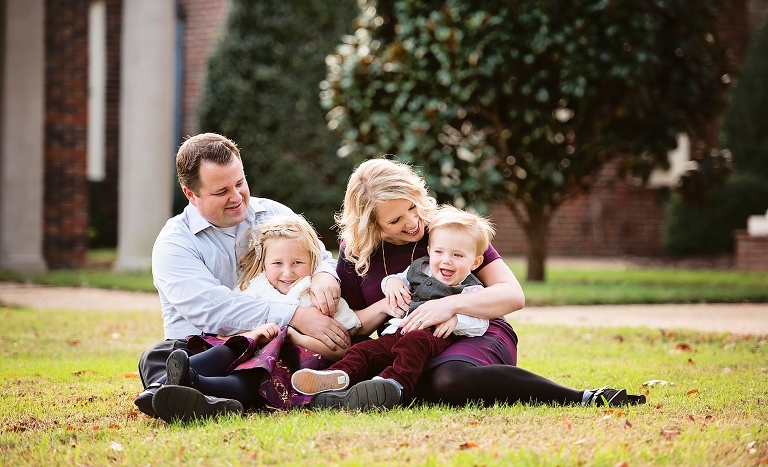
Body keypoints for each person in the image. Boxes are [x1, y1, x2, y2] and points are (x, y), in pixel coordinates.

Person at [308, 158, 646, 410]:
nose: (413, 222)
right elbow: (353, 327)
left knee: (450, 381)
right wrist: (384, 304)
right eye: (396, 220)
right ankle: (344, 393)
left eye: (413, 207)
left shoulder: (447, 229)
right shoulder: (359, 254)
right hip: (408, 342)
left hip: (475, 330)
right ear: (372, 225)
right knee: (406, 380)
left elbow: (512, 295)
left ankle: (583, 398)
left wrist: (450, 305)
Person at [133, 132, 350, 419]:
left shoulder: (273, 214)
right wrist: (294, 314)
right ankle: (187, 389)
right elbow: (214, 310)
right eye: (221, 192)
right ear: (191, 194)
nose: (236, 197)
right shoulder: (175, 243)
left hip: (278, 343)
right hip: (204, 344)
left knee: (292, 359)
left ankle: (186, 393)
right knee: (157, 357)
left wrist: (324, 274)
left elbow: (321, 256)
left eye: (240, 183)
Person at [151, 215, 373, 422]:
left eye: (298, 263)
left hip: (283, 370)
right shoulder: (256, 288)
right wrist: (252, 334)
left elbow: (342, 348)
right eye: (277, 264)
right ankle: (165, 382)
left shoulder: (316, 293)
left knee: (252, 380)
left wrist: (293, 337)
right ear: (264, 263)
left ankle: (190, 382)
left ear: (313, 261)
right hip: (247, 355)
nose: (288, 273)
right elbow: (225, 331)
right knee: (230, 348)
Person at [291, 205, 495, 409]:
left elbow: (479, 322)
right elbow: (397, 279)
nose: (446, 261)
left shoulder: (471, 288)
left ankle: (395, 386)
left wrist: (456, 318)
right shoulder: (420, 267)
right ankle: (337, 377)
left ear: (475, 262)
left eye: (457, 256)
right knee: (365, 350)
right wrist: (391, 283)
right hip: (396, 331)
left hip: (430, 337)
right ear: (430, 251)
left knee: (413, 345)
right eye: (439, 252)